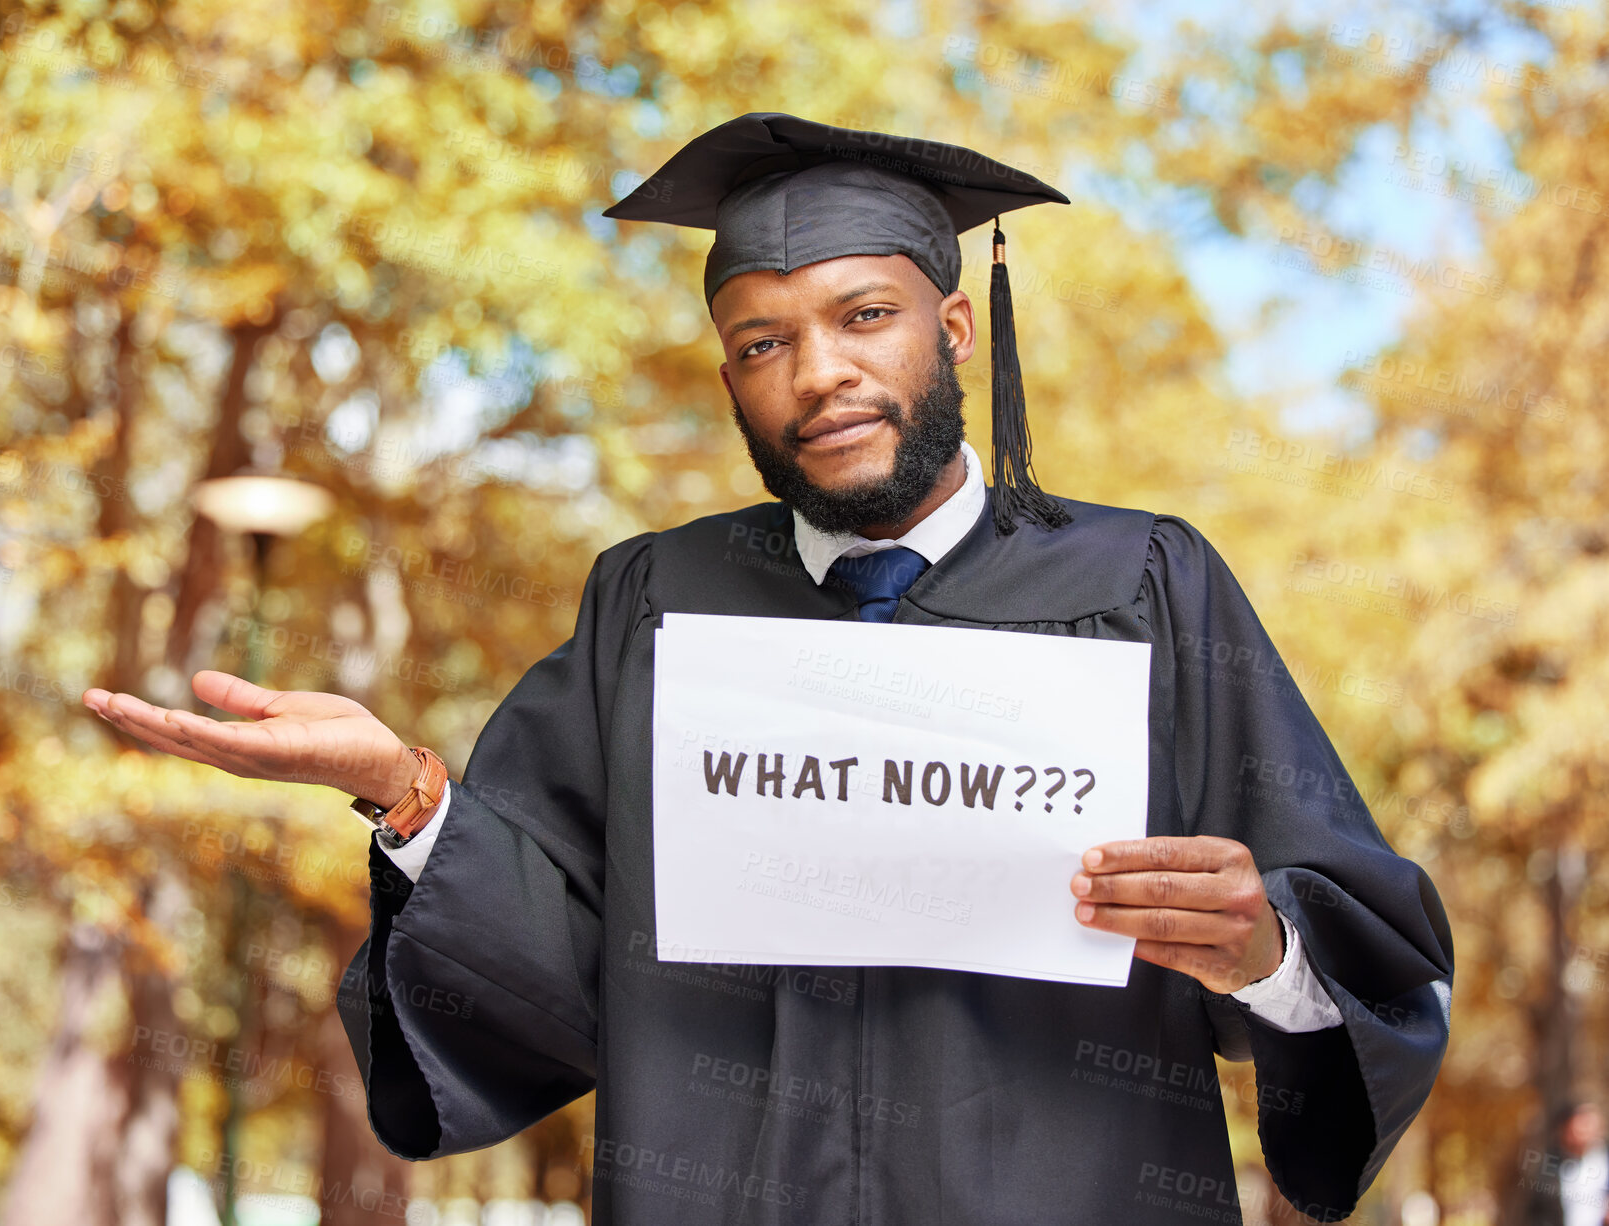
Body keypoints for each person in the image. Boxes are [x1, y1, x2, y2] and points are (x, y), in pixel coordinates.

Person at [83, 113, 1453, 1224]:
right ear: (729, 375)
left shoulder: (1144, 585)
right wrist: (407, 789)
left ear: (953, 332)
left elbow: (1352, 942)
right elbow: (560, 972)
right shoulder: (654, 602)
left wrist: (1265, 949)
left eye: (865, 317)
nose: (818, 374)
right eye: (761, 342)